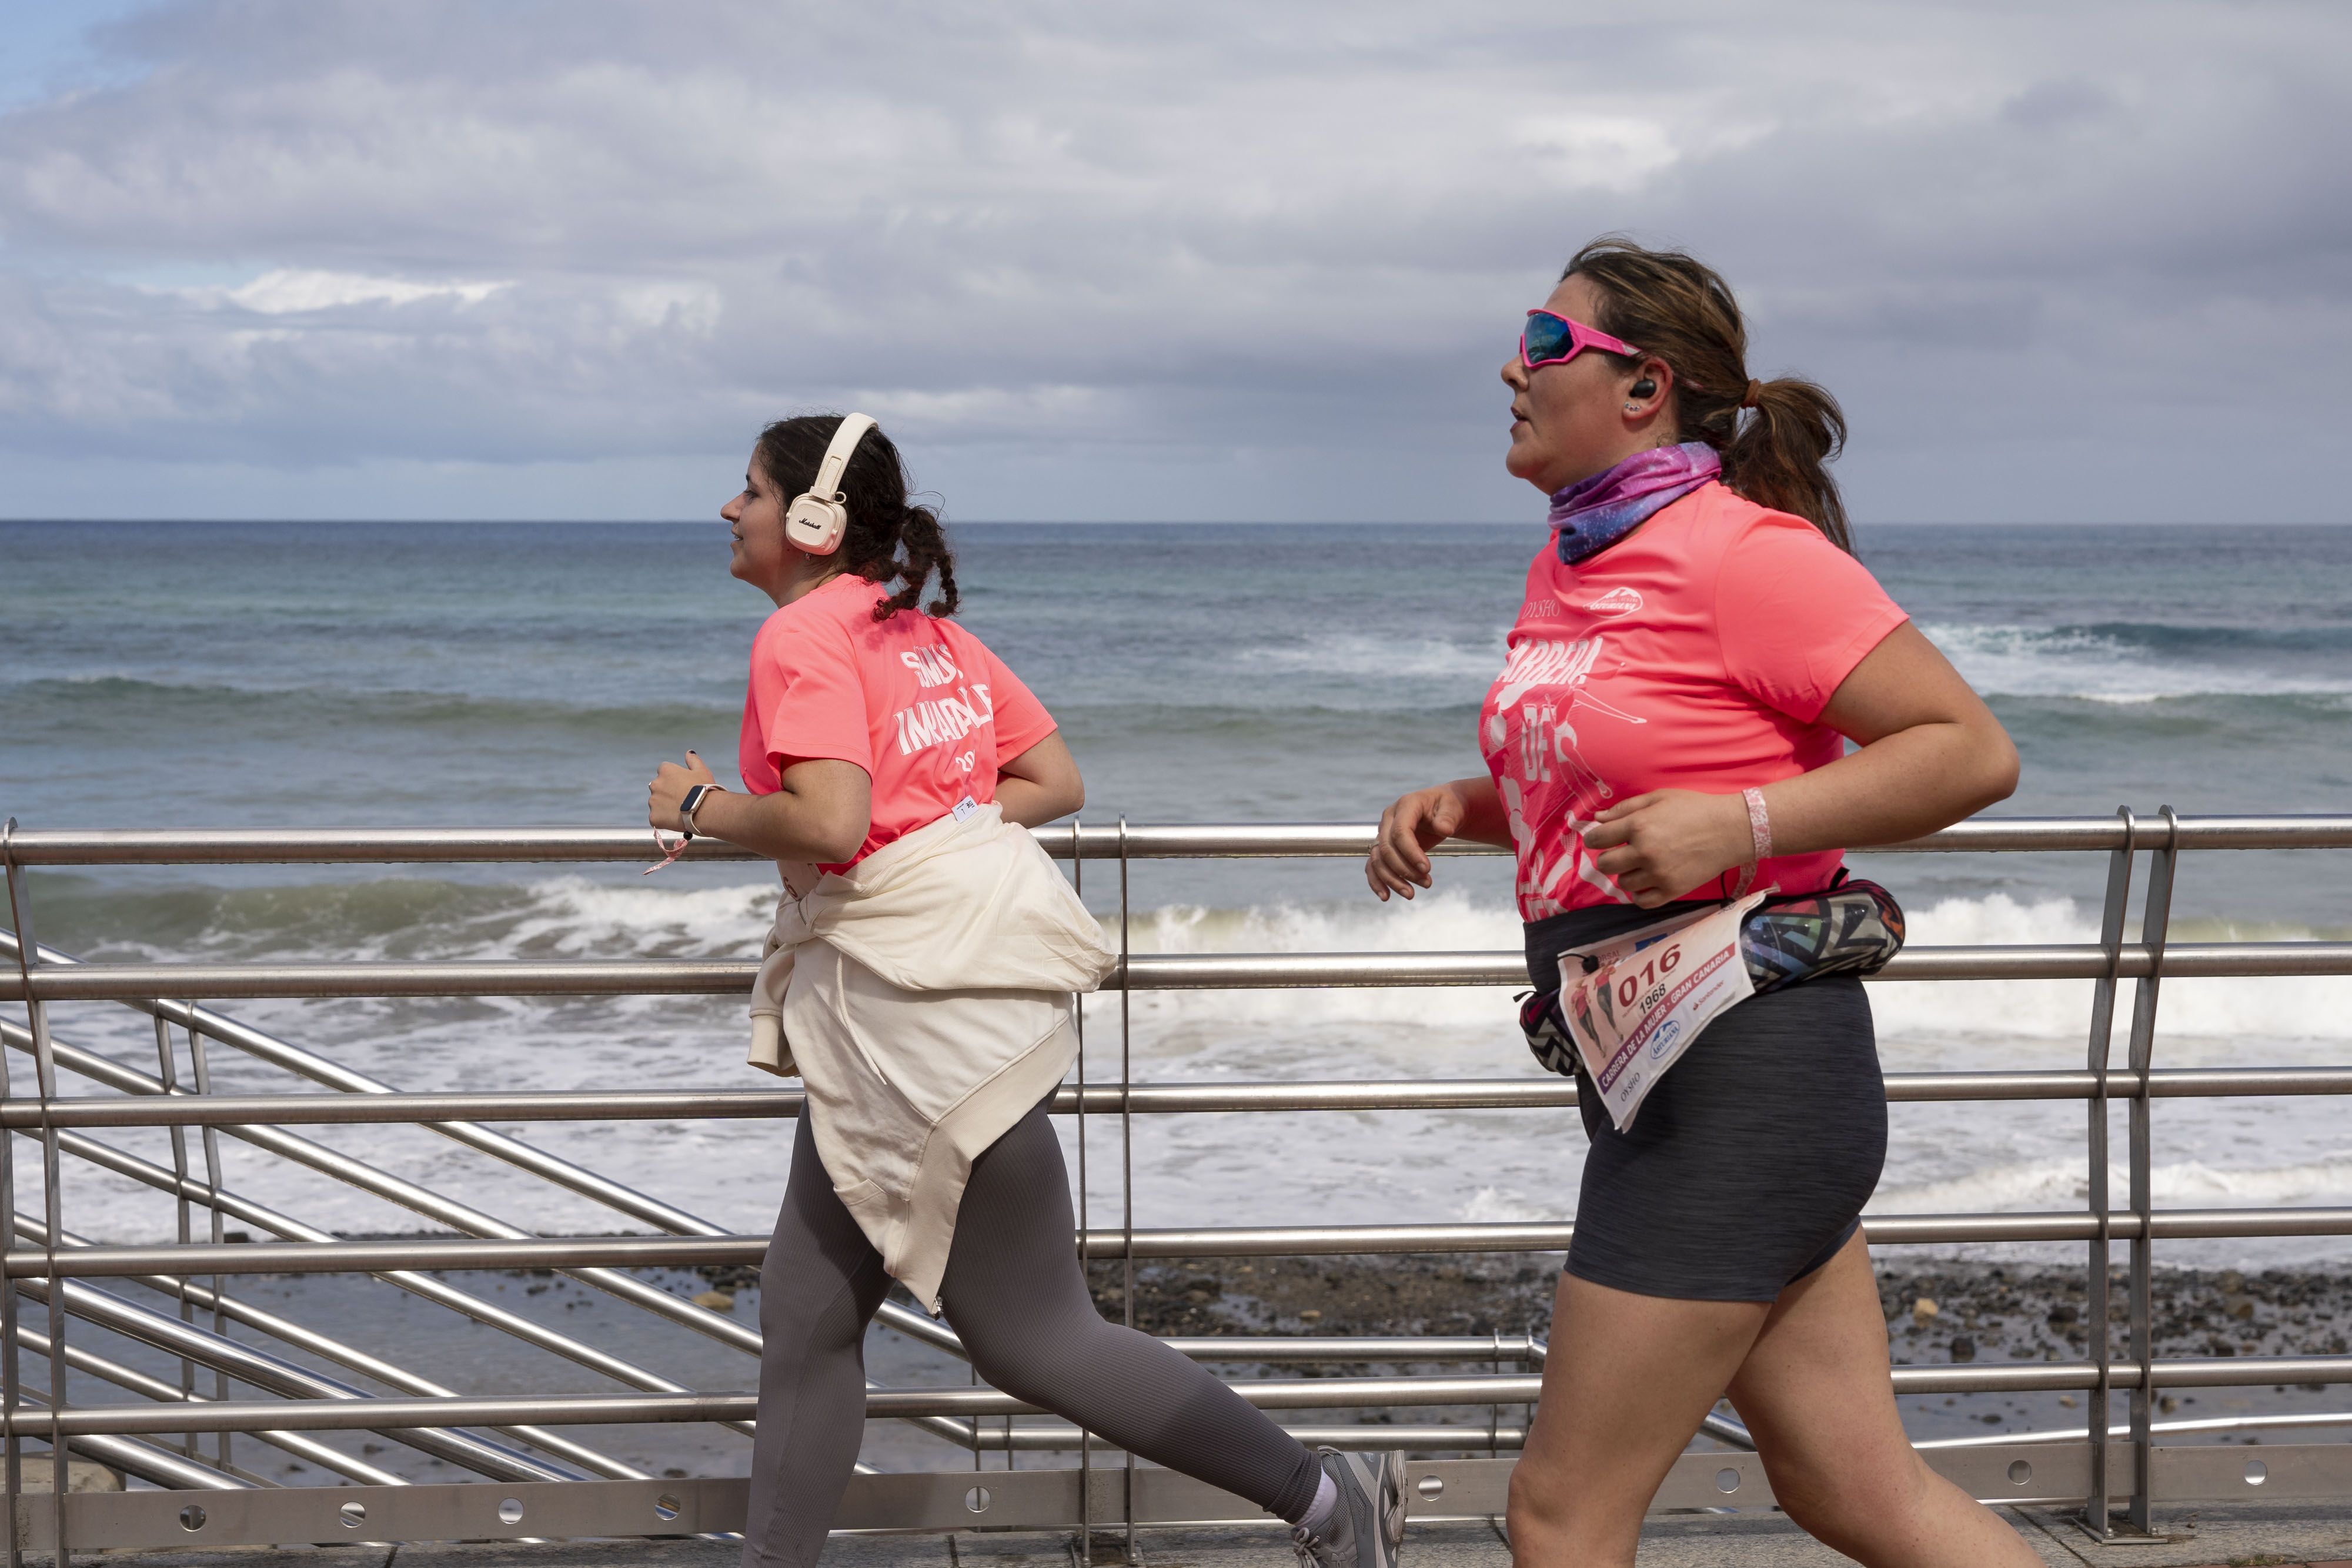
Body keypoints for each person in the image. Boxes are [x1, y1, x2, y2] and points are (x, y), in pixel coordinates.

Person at [1365, 240, 2034, 1568]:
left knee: (1559, 1513)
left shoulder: (1743, 554)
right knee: (1855, 1491)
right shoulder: (1575, 558)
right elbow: (1642, 779)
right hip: (1656, 1066)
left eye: (1544, 343)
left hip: (1740, 1072)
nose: (1511, 365)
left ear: (1642, 387)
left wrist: (1744, 824)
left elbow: (1968, 748)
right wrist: (1468, 798)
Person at [648, 413, 1406, 1568]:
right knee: (807, 1309)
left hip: (917, 1018)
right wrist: (941, 840)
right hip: (929, 1005)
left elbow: (831, 820)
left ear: (811, 520)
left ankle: (1323, 1494)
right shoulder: (926, 634)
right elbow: (1050, 779)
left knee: (1033, 1336)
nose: (727, 508)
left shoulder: (802, 636)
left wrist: (700, 807)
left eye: (746, 488)